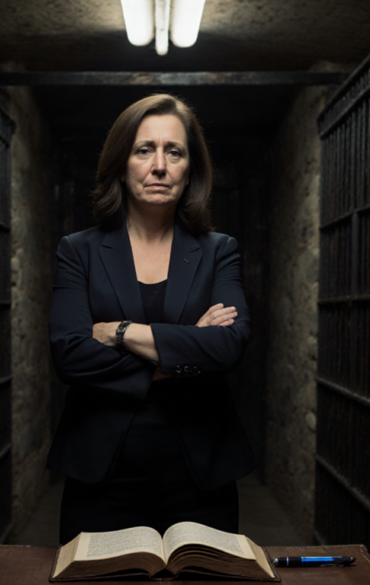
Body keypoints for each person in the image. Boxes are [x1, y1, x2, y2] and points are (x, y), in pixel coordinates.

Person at [47, 93, 255, 545]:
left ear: (190, 168)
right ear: (122, 162)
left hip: (202, 475)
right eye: (144, 150)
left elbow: (229, 346)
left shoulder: (219, 250)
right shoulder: (78, 250)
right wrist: (185, 350)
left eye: (174, 151)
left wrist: (120, 332)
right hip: (101, 476)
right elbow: (69, 355)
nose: (159, 165)